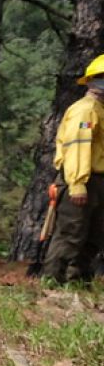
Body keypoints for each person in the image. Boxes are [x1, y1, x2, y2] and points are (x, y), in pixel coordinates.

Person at [42, 54, 104, 285]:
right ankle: (53, 283)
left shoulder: (100, 109)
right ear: (90, 81)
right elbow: (78, 147)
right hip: (81, 180)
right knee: (71, 234)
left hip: (97, 181)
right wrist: (77, 184)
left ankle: (76, 283)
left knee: (93, 237)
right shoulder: (85, 111)